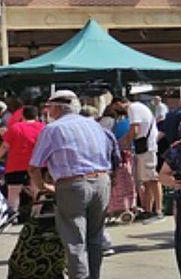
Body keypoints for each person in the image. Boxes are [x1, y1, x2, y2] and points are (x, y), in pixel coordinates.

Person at [28, 90, 118, 279]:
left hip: (73, 184)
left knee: (75, 240)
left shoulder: (53, 129)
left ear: (57, 108)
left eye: (49, 107)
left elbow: (34, 167)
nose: (47, 111)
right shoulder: (94, 125)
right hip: (101, 180)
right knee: (95, 237)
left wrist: (43, 187)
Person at [0, 105, 44, 214]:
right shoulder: (43, 128)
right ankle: (36, 215)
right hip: (36, 165)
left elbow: (5, 146)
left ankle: (13, 216)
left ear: (23, 115)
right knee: (37, 191)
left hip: (15, 165)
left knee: (14, 193)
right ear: (36, 116)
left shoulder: (15, 128)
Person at [126, 98, 163, 221]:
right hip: (147, 147)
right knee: (147, 181)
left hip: (147, 147)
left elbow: (135, 129)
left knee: (152, 179)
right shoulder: (140, 107)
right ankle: (148, 209)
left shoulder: (133, 108)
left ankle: (158, 210)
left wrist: (125, 143)